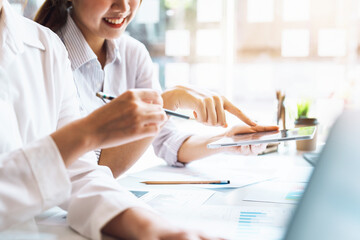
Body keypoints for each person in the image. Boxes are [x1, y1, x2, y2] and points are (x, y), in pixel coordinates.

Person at [0, 0, 224, 239]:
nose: (123, 5)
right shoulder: (59, 45)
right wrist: (89, 133)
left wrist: (157, 230)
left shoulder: (47, 47)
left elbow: (80, 174)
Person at [35, 0, 278, 178]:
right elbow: (88, 171)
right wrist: (164, 103)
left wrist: (224, 140)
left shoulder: (133, 53)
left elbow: (167, 140)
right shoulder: (45, 57)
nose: (123, 6)